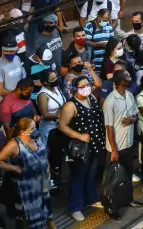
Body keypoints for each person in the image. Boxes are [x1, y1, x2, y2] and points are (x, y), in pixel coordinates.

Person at [58, 75, 105, 221]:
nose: (86, 88)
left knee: (92, 173)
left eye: (87, 85)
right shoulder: (70, 105)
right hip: (81, 148)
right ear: (74, 89)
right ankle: (75, 207)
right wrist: (79, 136)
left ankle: (91, 198)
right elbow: (62, 126)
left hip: (96, 143)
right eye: (82, 86)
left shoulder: (92, 98)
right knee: (78, 176)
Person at [0, 118, 52, 229]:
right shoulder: (14, 144)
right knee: (29, 217)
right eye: (32, 129)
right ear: (23, 132)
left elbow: (43, 155)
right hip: (27, 188)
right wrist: (14, 168)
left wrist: (48, 167)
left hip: (42, 183)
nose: (35, 130)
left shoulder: (35, 139)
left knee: (47, 211)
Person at [102, 70, 143, 210]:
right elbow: (109, 127)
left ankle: (128, 199)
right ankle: (111, 207)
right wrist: (114, 149)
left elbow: (135, 116)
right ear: (120, 81)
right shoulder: (110, 101)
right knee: (113, 178)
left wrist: (132, 120)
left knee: (127, 174)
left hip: (128, 143)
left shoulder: (129, 95)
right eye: (127, 77)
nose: (130, 78)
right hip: (116, 146)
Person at [36, 70, 64, 189]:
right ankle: (50, 181)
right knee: (50, 154)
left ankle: (57, 177)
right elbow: (45, 114)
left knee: (58, 153)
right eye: (52, 79)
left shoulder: (57, 88)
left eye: (56, 77)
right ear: (45, 83)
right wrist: (59, 114)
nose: (56, 80)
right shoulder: (43, 95)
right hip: (49, 129)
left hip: (59, 126)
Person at [0, 36, 26, 110]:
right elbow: (1, 91)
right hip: (4, 106)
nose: (9, 53)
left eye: (11, 51)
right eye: (6, 51)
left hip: (18, 103)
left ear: (16, 50)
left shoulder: (17, 59)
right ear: (2, 50)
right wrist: (17, 95)